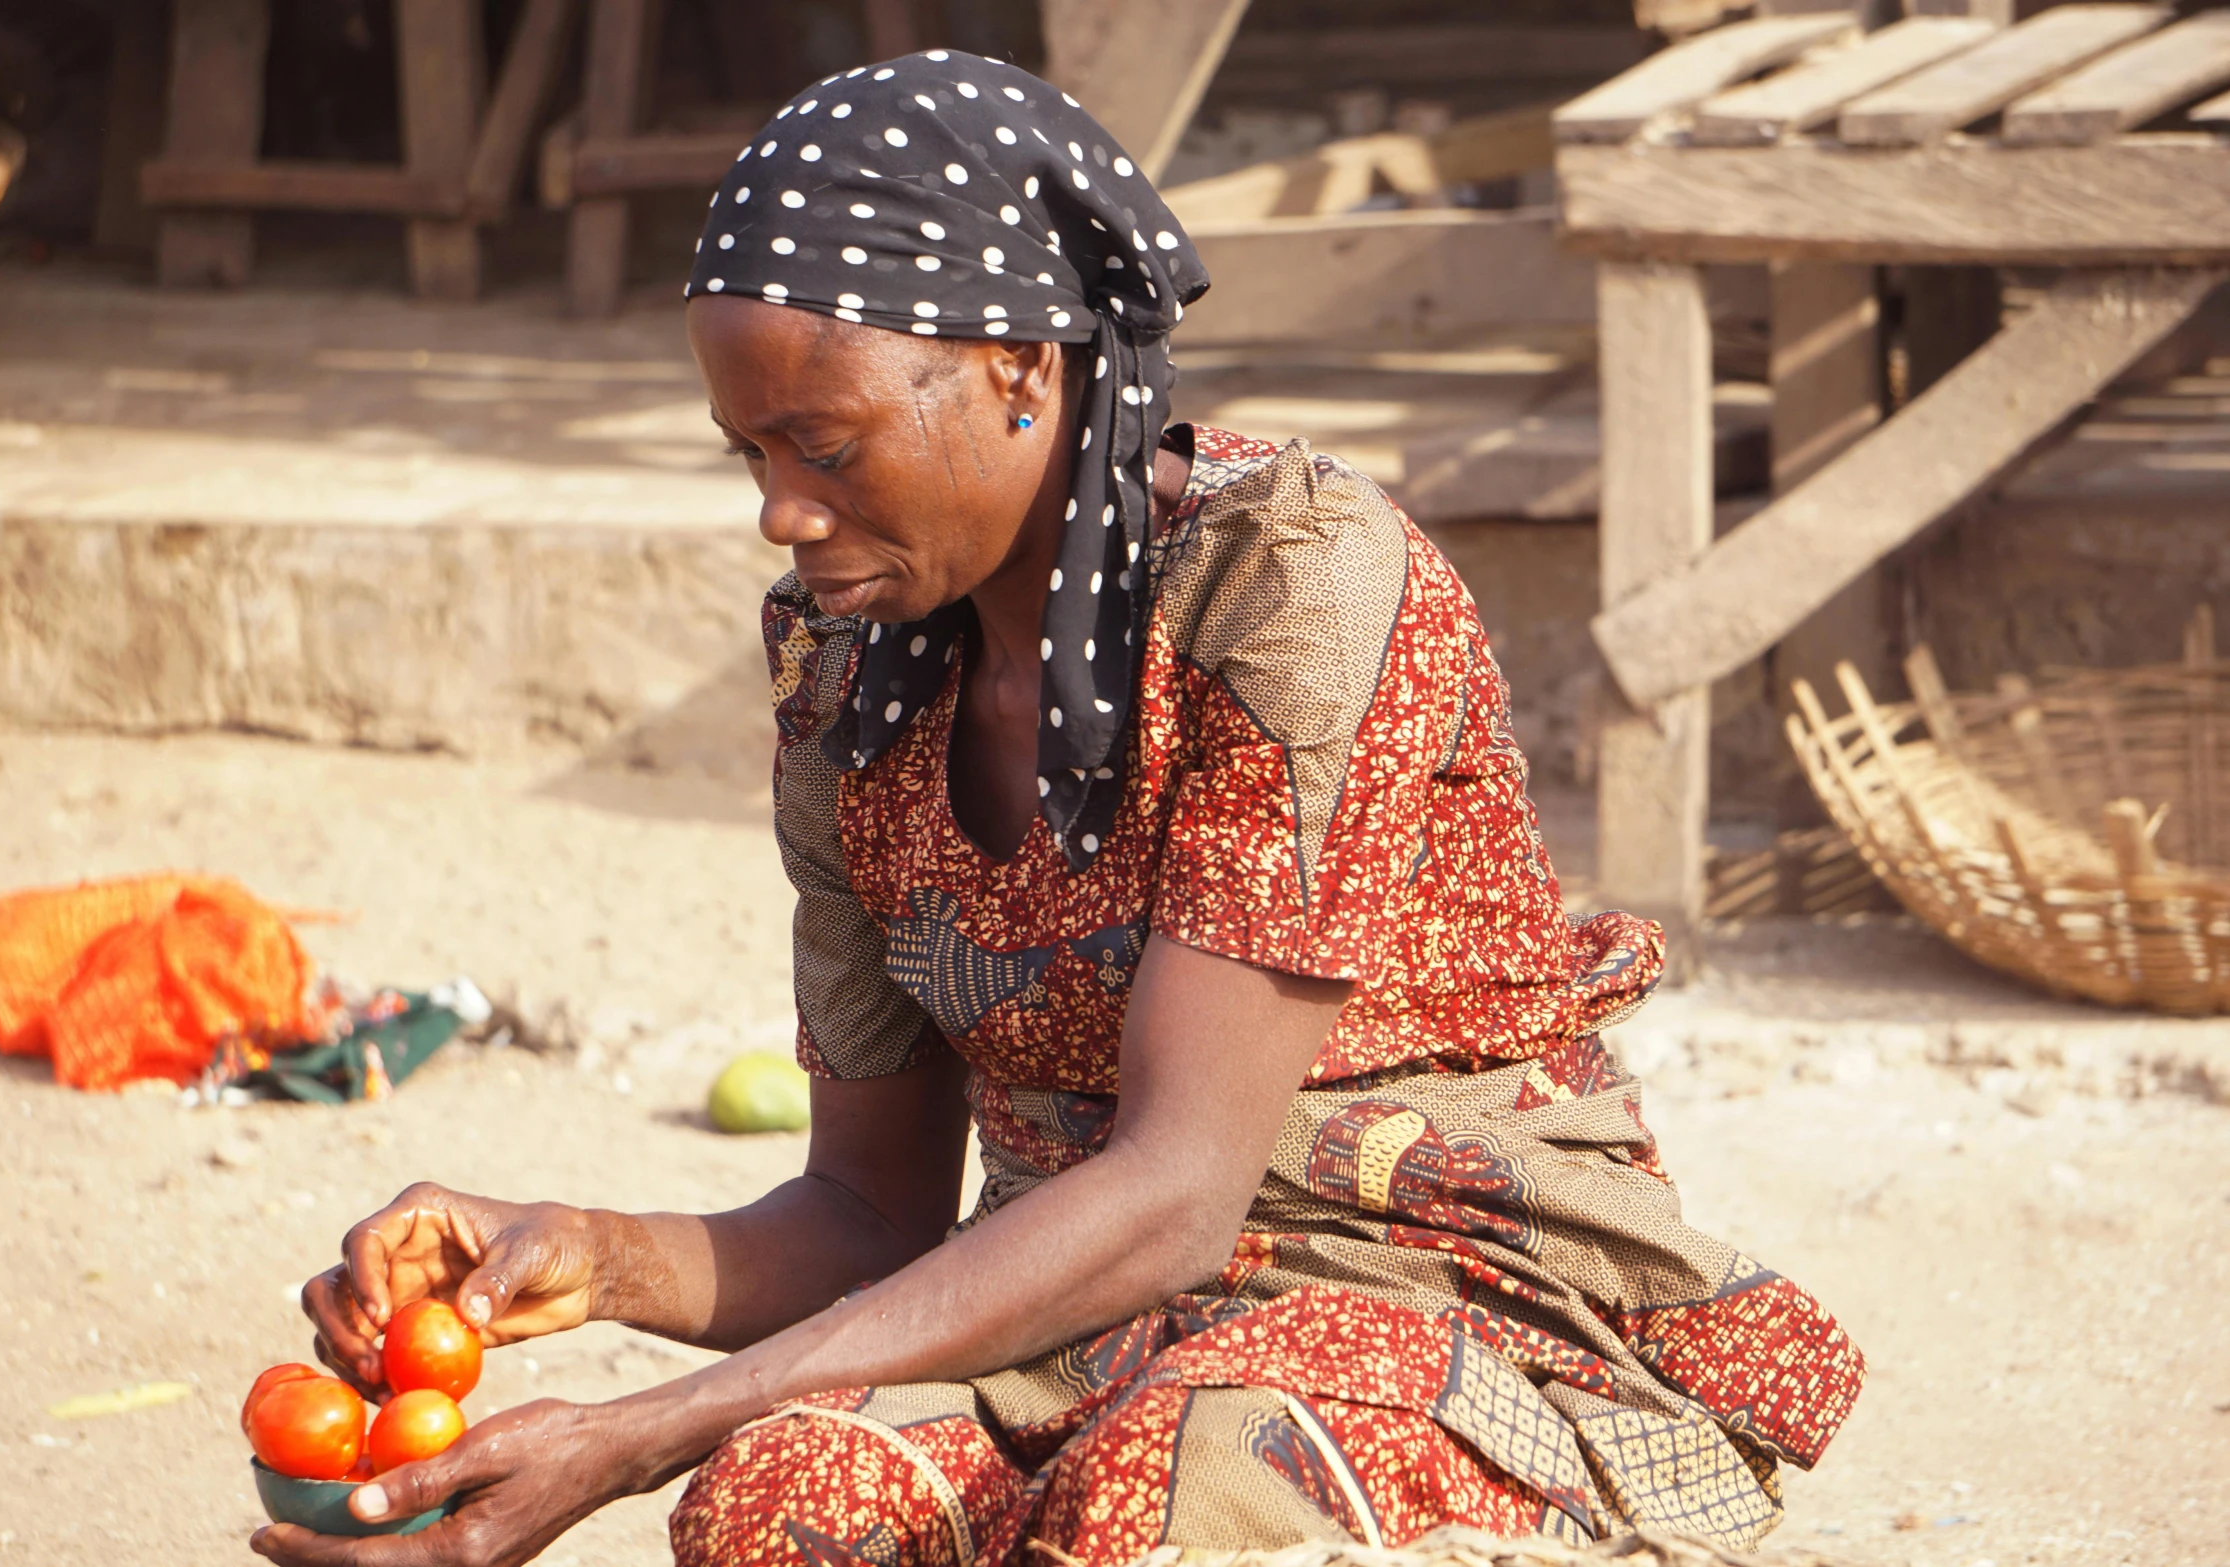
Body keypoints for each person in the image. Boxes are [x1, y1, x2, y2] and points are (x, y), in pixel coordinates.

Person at [256, 52, 1862, 1567]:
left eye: (821, 443)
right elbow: (868, 1211)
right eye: (745, 450)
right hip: (1066, 1317)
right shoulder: (845, 670)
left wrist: (642, 1424)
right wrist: (584, 1253)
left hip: (1437, 1290)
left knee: (1170, 1491)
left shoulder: (1291, 584)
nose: (778, 509)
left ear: (1024, 366)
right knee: (777, 1503)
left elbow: (1175, 1191)